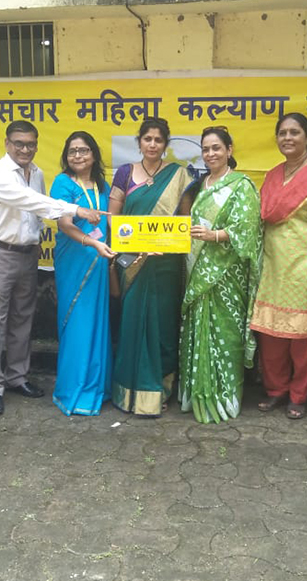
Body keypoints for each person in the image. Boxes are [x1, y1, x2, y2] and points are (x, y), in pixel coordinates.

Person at [0, 120, 103, 415]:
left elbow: (37, 212)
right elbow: (33, 202)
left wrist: (37, 237)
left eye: (30, 144)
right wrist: (76, 209)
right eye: (19, 144)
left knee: (22, 319)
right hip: (0, 253)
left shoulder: (36, 173)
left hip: (28, 254)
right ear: (7, 144)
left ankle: (17, 377)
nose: (25, 149)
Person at [250, 112, 307, 420]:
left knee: (303, 338)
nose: (287, 138)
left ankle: (298, 395)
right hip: (274, 267)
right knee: (271, 335)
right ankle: (276, 389)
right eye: (282, 133)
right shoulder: (273, 175)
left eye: (294, 132)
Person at [108, 117, 195, 417]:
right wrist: (132, 243)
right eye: (148, 139)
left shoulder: (179, 175)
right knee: (132, 324)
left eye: (159, 140)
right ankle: (129, 391)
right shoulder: (124, 173)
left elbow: (184, 221)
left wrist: (166, 242)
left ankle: (160, 388)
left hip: (165, 262)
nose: (153, 145)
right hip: (133, 260)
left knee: (163, 326)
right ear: (139, 142)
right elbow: (113, 217)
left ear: (166, 144)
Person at [179, 126, 261, 424]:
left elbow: (248, 229)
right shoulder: (198, 185)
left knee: (225, 333)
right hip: (196, 267)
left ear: (229, 150)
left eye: (216, 148)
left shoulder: (242, 185)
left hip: (226, 273)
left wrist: (214, 235)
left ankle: (225, 397)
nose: (210, 153)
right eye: (206, 149)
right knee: (198, 328)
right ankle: (197, 393)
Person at [50, 131, 115, 416]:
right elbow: (64, 224)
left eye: (84, 150)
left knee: (97, 321)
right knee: (76, 321)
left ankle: (97, 387)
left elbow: (112, 222)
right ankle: (73, 391)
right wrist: (92, 242)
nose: (78, 155)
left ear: (94, 154)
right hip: (74, 260)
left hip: (100, 261)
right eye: (72, 151)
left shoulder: (103, 185)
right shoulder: (62, 183)